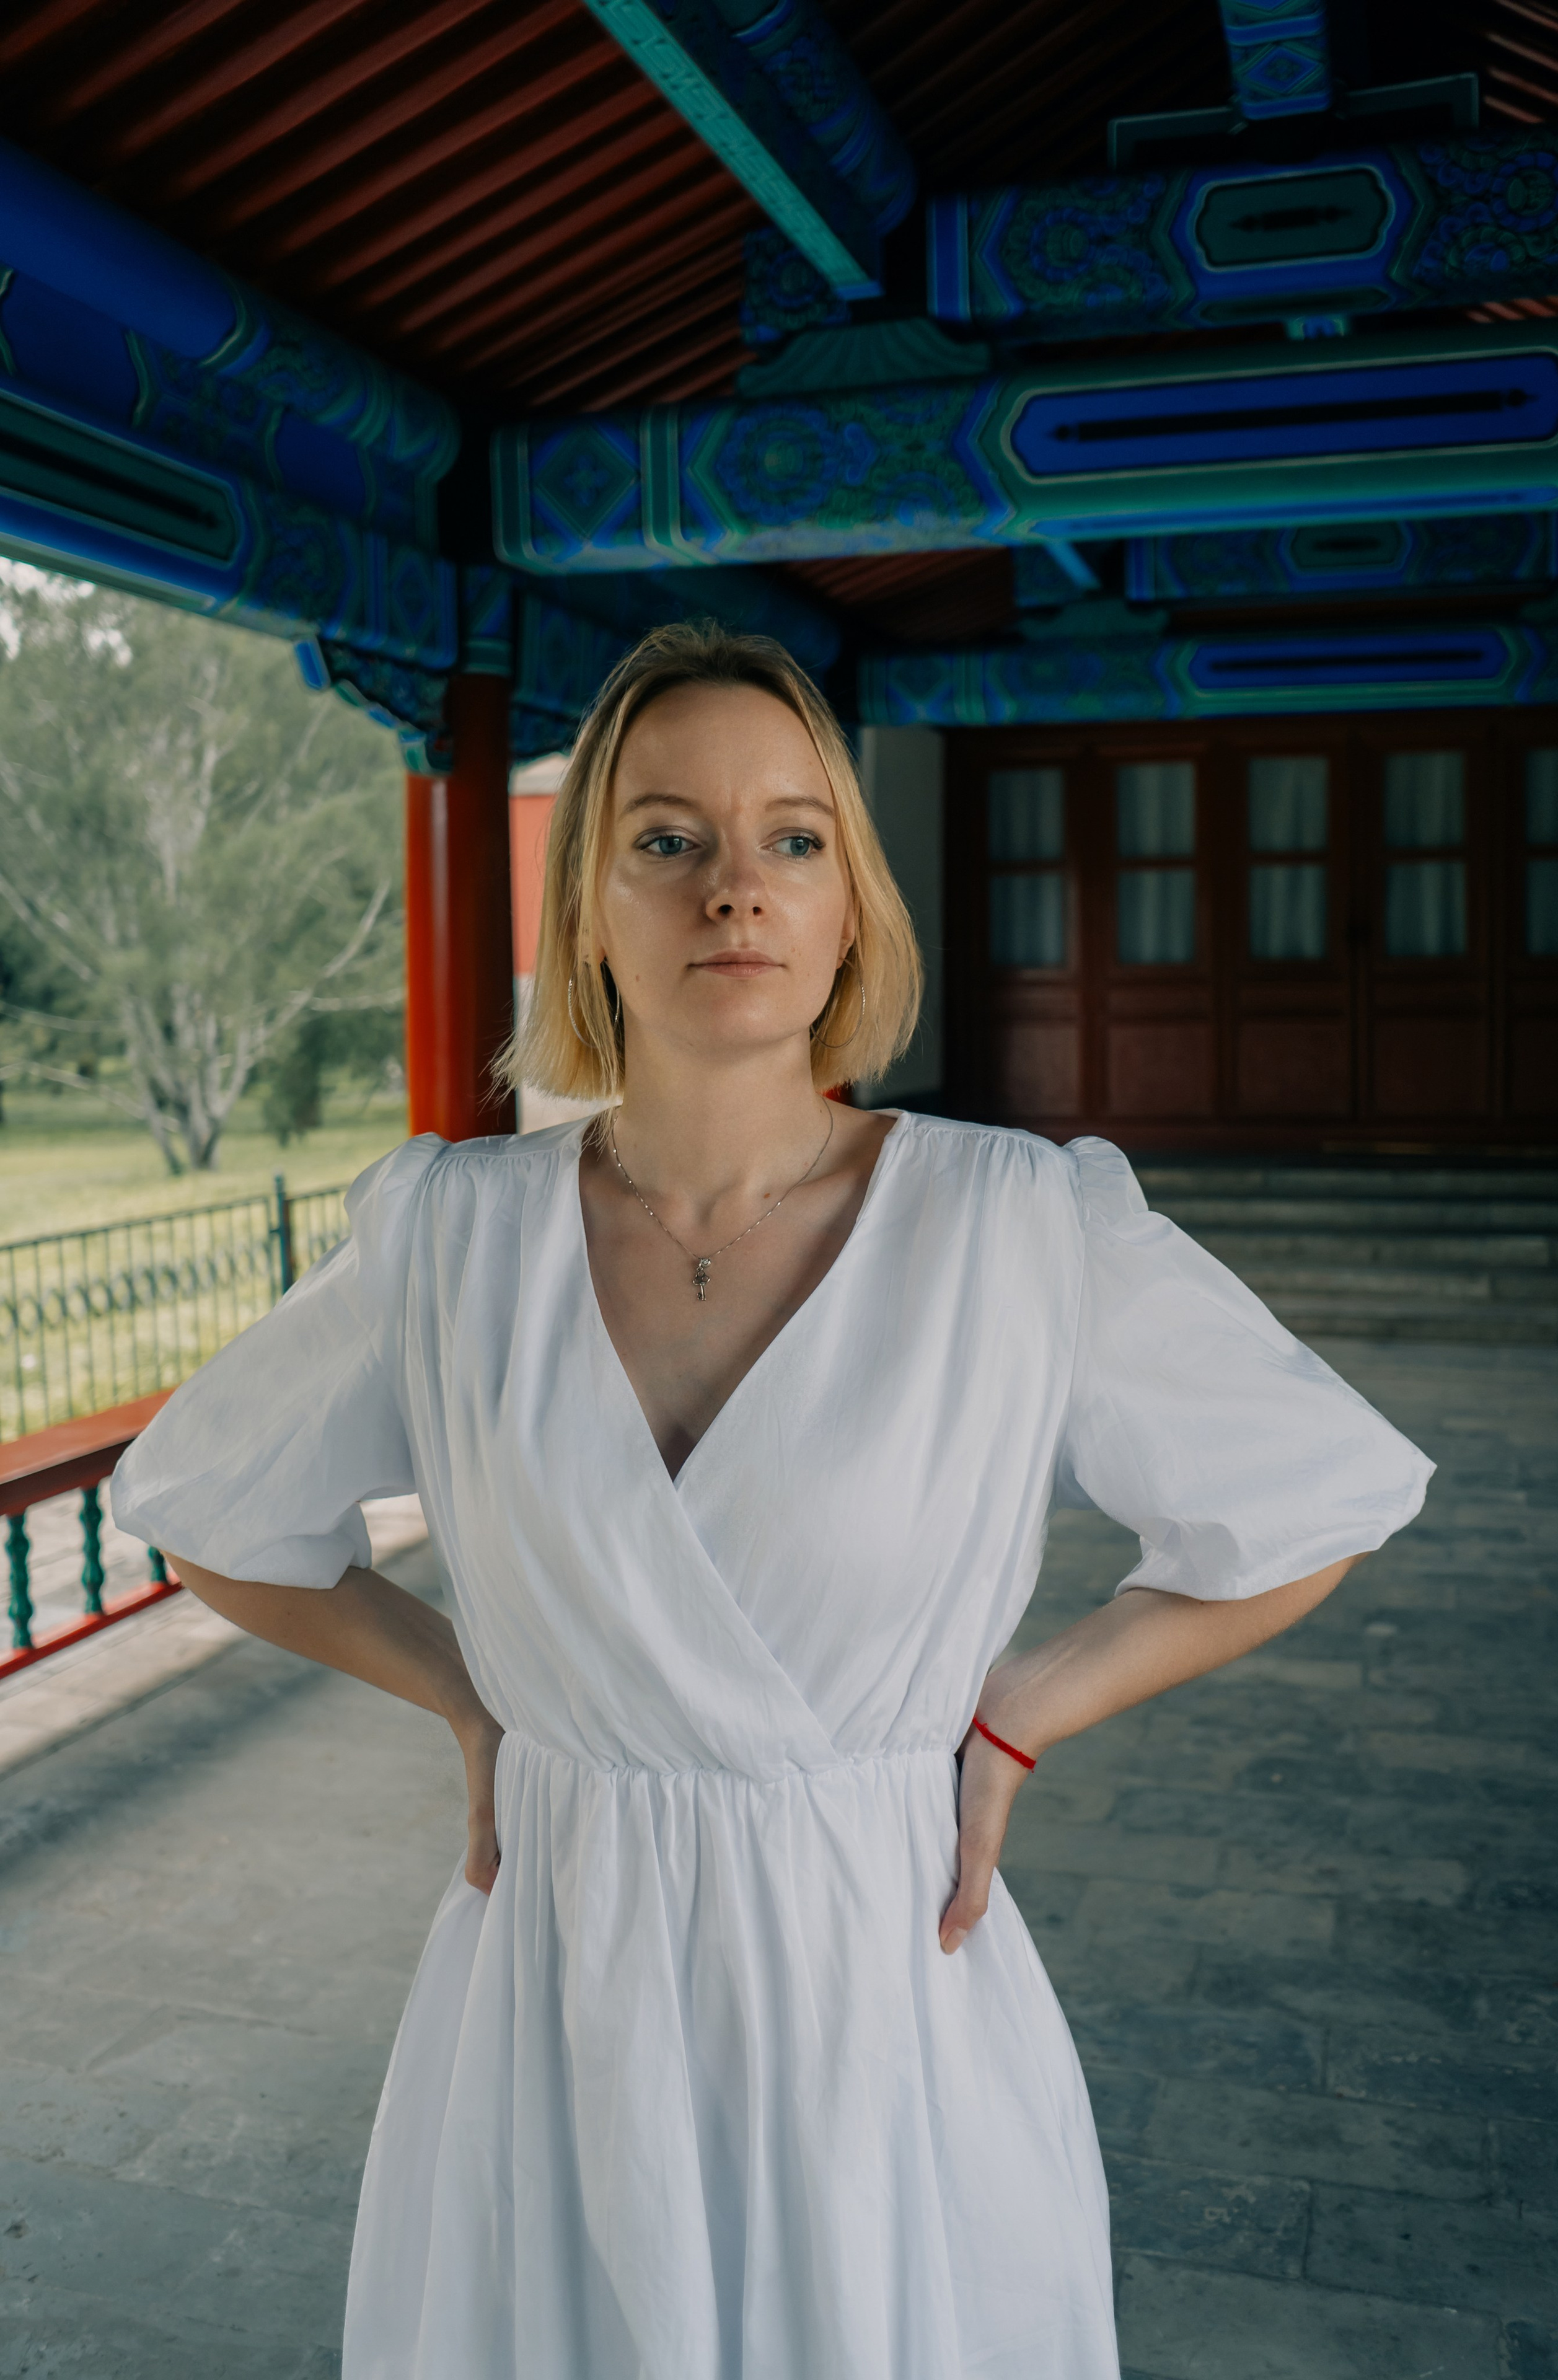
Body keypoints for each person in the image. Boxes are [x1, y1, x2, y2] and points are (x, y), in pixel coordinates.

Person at [112, 622, 1432, 2380]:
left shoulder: (1018, 1225)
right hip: (558, 1997)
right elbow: (214, 1505)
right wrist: (472, 1696)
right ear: (588, 904)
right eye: (667, 838)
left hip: (878, 1994)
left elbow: (1314, 1496)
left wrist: (1026, 1707)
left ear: (848, 906)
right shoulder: (450, 1236)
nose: (735, 886)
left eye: (793, 838)